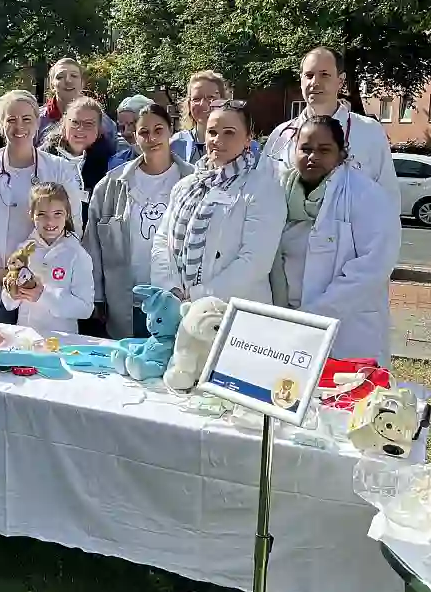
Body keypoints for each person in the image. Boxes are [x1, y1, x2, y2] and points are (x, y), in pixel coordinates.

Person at [270, 116, 400, 366]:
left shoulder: (366, 195)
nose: (312, 156)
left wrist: (317, 314)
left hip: (349, 328)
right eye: (305, 149)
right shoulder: (279, 193)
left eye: (324, 149)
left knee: (346, 398)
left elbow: (373, 266)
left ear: (342, 154)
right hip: (290, 321)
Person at [0, 89, 83, 322]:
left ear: (37, 122)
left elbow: (74, 229)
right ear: (0, 124)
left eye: (26, 119)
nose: (19, 127)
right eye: (10, 120)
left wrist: (39, 276)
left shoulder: (60, 170)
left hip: (42, 288)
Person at [151, 100, 285, 303]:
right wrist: (171, 289)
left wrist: (199, 296)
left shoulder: (263, 188)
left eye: (229, 132)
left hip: (233, 313)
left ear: (249, 138)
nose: (218, 139)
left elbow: (255, 262)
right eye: (212, 132)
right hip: (179, 307)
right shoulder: (186, 186)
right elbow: (162, 241)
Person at [84, 103, 194, 338]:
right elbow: (92, 245)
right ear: (135, 136)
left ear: (170, 130)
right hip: (126, 304)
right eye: (144, 132)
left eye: (158, 130)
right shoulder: (111, 186)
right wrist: (96, 297)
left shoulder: (194, 181)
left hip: (178, 302)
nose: (152, 138)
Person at [260, 46, 400, 214]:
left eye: (324, 75)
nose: (315, 82)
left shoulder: (369, 132)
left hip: (349, 237)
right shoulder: (280, 136)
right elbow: (260, 196)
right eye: (309, 75)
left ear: (340, 82)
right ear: (301, 80)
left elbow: (388, 200)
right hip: (290, 238)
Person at [1, 183, 94, 334]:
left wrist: (44, 294)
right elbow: (8, 304)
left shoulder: (77, 254)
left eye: (57, 214)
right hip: (26, 338)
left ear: (67, 214)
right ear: (31, 215)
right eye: (42, 214)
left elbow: (85, 309)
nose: (50, 222)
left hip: (62, 342)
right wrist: (12, 293)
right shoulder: (23, 250)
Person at [40, 96, 111, 228]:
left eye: (89, 124)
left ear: (99, 129)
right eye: (75, 122)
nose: (80, 129)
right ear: (64, 124)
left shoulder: (105, 164)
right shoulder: (43, 159)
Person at [170, 70, 260, 166]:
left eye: (211, 97)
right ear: (188, 104)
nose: (203, 104)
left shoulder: (248, 147)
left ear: (224, 100)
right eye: (196, 99)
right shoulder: (176, 144)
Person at [36, 56, 118, 154]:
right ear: (52, 85)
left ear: (82, 83)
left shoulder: (104, 123)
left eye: (74, 76)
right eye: (60, 77)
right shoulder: (36, 121)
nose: (68, 81)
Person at [108, 94, 155, 170]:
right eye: (122, 127)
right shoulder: (117, 163)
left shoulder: (176, 157)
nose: (126, 133)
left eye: (132, 125)